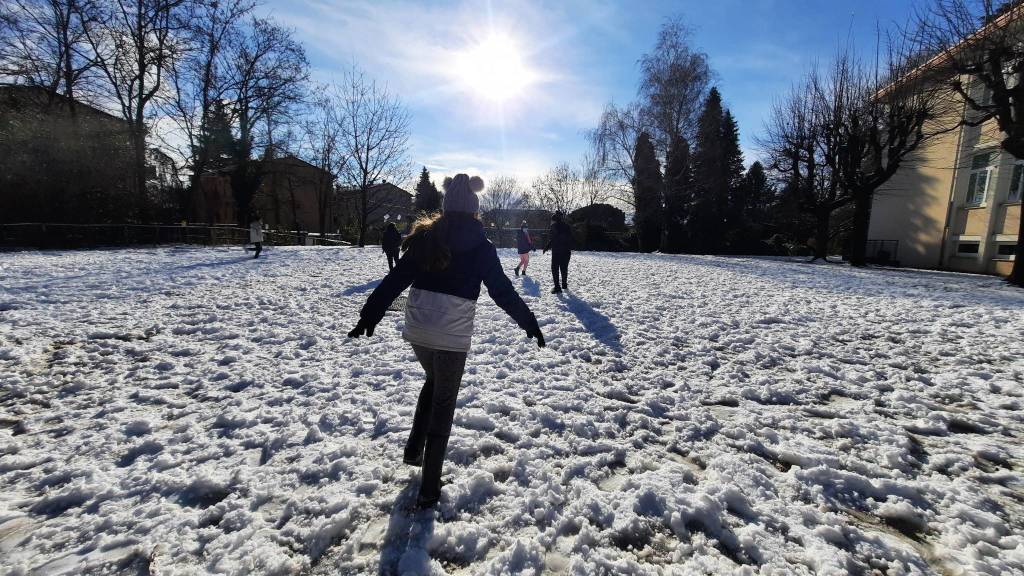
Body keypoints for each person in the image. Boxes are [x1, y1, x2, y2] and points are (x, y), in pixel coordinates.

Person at [347, 173, 545, 509]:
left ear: (446, 207)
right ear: (474, 210)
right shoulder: (482, 247)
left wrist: (370, 315)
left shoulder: (426, 237)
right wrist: (528, 321)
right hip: (451, 335)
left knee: (433, 380)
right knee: (444, 401)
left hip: (419, 329)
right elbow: (501, 291)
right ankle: (429, 487)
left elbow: (395, 279)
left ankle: (414, 450)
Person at [543, 212, 573, 293]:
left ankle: (557, 287)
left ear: (554, 220)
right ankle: (564, 284)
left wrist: (547, 247)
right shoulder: (567, 226)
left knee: (555, 268)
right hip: (566, 251)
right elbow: (570, 238)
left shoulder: (553, 226)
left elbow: (552, 239)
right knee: (564, 268)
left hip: (557, 252)